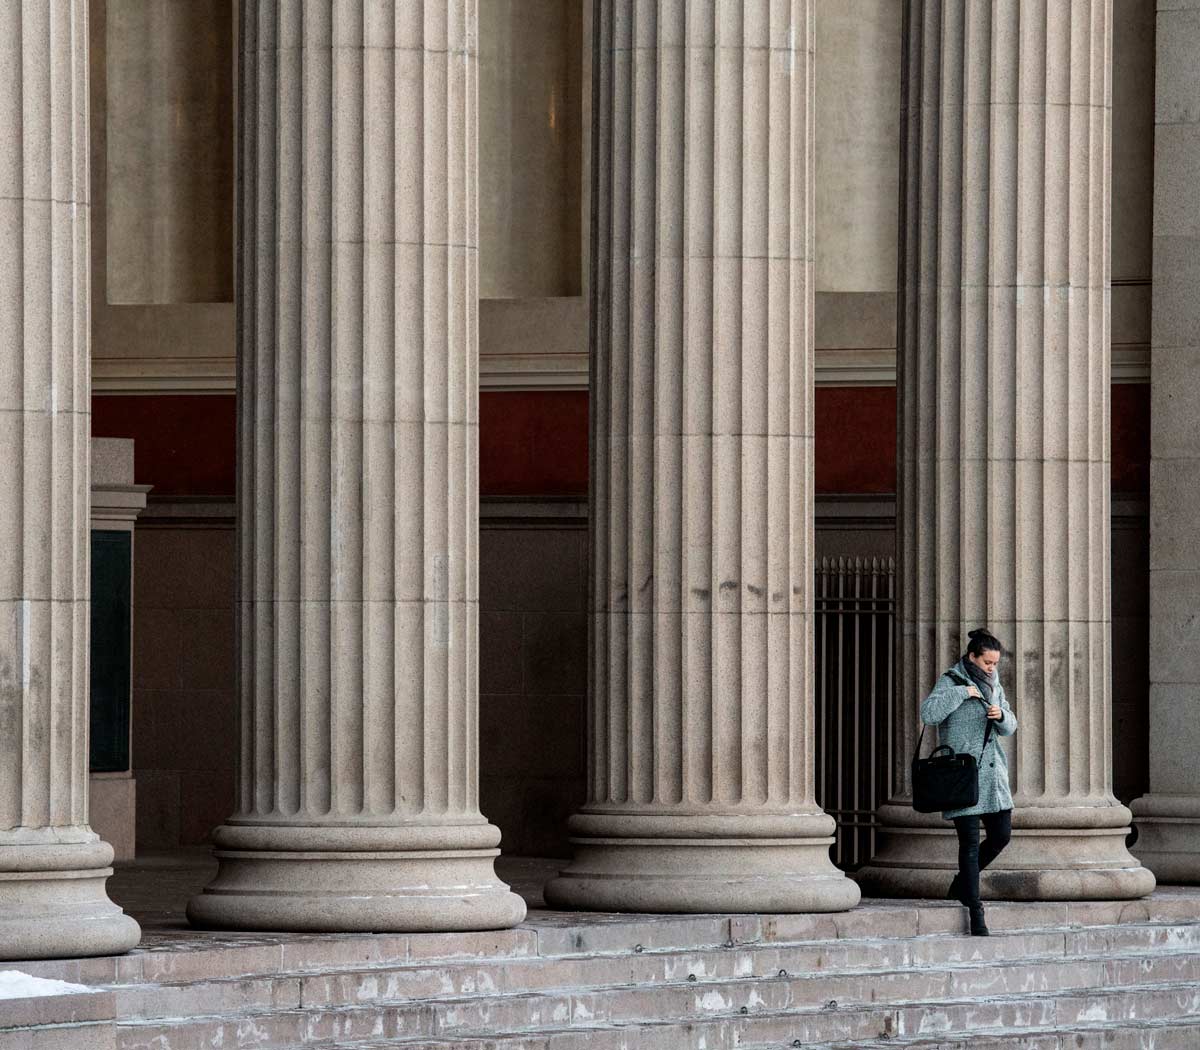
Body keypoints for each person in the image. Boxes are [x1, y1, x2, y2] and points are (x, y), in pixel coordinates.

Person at [919, 627, 1018, 936]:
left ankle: (961, 884)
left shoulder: (994, 686)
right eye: (988, 663)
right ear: (972, 657)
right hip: (962, 777)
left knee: (1001, 835)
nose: (992, 668)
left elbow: (1011, 726)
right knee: (971, 845)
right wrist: (963, 693)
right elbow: (929, 713)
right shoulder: (951, 680)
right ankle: (975, 911)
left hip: (992, 778)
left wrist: (999, 713)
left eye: (995, 663)